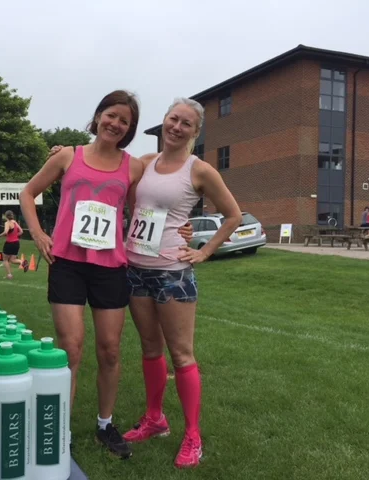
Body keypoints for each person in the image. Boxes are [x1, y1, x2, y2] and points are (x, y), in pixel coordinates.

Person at [20, 90, 191, 459]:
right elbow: (28, 193)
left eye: (124, 121)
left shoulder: (133, 167)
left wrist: (182, 228)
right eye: (111, 115)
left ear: (129, 130)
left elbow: (149, 208)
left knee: (110, 350)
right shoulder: (68, 156)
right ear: (98, 116)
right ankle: (60, 429)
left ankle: (104, 424)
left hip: (110, 268)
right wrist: (38, 233)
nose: (115, 124)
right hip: (67, 264)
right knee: (71, 349)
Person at [121, 98, 241, 469]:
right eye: (173, 118)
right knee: (149, 348)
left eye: (186, 123)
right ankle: (155, 419)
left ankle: (193, 435)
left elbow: (233, 215)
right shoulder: (145, 162)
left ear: (195, 132)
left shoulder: (199, 170)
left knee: (181, 354)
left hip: (173, 273)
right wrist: (66, 153)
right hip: (135, 268)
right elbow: (105, 164)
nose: (176, 127)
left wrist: (204, 252)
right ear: (164, 120)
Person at [0, 210, 29, 279]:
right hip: (16, 243)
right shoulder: (15, 222)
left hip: (9, 243)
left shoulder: (7, 223)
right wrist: (15, 235)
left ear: (6, 216)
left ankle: (9, 275)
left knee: (5, 259)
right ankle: (23, 262)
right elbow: (21, 231)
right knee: (12, 260)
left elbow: (5, 232)